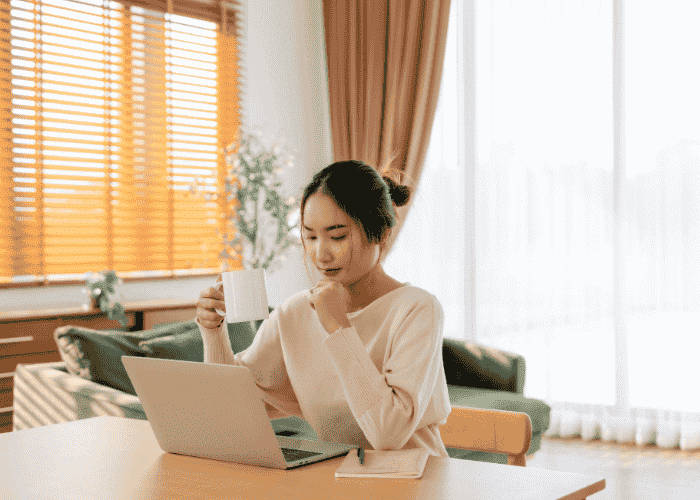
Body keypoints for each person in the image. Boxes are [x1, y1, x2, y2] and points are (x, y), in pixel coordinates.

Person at [195, 160, 451, 457]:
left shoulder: (417, 309)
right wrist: (214, 332)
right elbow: (230, 409)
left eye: (337, 236)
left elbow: (387, 433)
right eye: (311, 236)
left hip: (417, 482)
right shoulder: (295, 313)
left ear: (381, 233)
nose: (321, 254)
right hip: (335, 481)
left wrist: (338, 327)